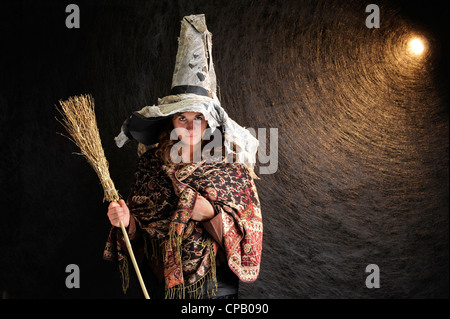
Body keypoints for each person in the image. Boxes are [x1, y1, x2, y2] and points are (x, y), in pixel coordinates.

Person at [103, 14, 262, 299]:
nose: (190, 127)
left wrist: (211, 214)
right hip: (160, 290)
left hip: (217, 293)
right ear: (170, 120)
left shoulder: (230, 168)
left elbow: (248, 237)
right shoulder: (149, 166)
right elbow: (141, 239)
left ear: (210, 121)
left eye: (198, 118)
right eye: (182, 117)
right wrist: (126, 221)